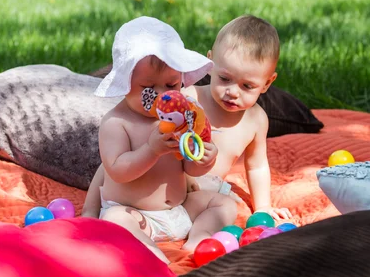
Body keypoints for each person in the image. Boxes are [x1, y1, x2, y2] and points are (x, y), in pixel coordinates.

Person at [84, 16, 237, 263]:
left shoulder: (184, 116)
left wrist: (205, 159)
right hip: (136, 216)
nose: (163, 96)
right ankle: (147, 250)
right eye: (149, 87)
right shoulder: (117, 123)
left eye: (171, 84)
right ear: (126, 84)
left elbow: (190, 167)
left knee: (224, 204)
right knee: (115, 219)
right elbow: (117, 171)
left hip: (180, 209)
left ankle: (199, 236)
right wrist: (151, 150)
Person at [183, 15, 292, 221]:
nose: (233, 92)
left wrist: (263, 207)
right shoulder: (191, 99)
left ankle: (199, 238)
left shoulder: (256, 120)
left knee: (226, 212)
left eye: (247, 86)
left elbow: (257, 165)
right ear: (210, 63)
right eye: (225, 79)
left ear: (267, 83)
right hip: (174, 182)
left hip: (211, 192)